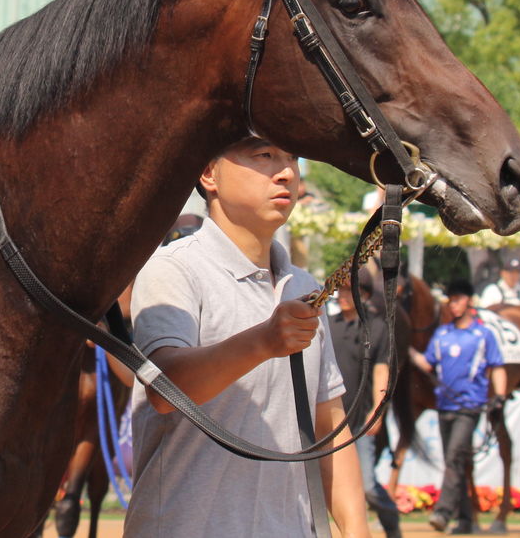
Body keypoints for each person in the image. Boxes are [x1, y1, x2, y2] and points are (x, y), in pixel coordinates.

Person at [126, 136, 368, 538]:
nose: (287, 173)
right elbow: (165, 389)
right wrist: (263, 342)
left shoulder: (304, 286)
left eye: (292, 158)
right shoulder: (174, 269)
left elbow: (328, 422)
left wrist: (357, 530)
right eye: (265, 155)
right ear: (209, 173)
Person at [410, 278, 506, 535]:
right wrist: (405, 346)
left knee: (453, 458)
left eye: (458, 300)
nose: (453, 305)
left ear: (469, 302)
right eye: (450, 300)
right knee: (456, 462)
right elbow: (427, 363)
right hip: (444, 405)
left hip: (469, 406)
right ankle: (466, 520)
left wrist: (500, 396)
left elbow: (497, 366)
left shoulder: (483, 334)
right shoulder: (442, 334)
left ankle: (443, 513)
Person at [329, 273, 401, 538]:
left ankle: (391, 524)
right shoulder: (328, 325)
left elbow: (382, 370)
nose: (344, 296)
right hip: (329, 420)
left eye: (350, 291)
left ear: (365, 295)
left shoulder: (377, 328)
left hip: (360, 420)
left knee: (368, 486)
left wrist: (378, 410)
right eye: (341, 291)